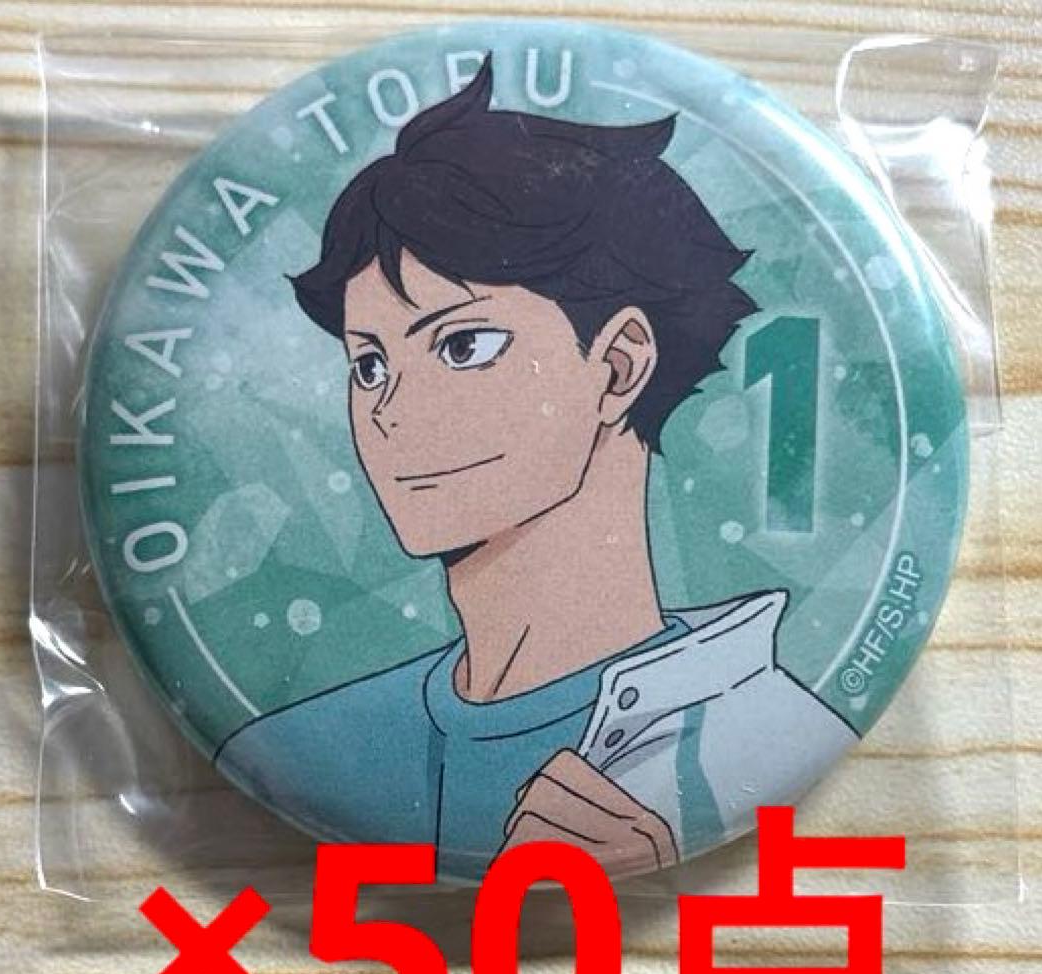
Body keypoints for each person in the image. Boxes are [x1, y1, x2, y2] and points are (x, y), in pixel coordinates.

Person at [215, 57, 858, 881]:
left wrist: (656, 866)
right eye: (368, 364)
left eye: (463, 346)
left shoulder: (768, 733)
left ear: (619, 366)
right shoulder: (298, 745)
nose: (388, 409)